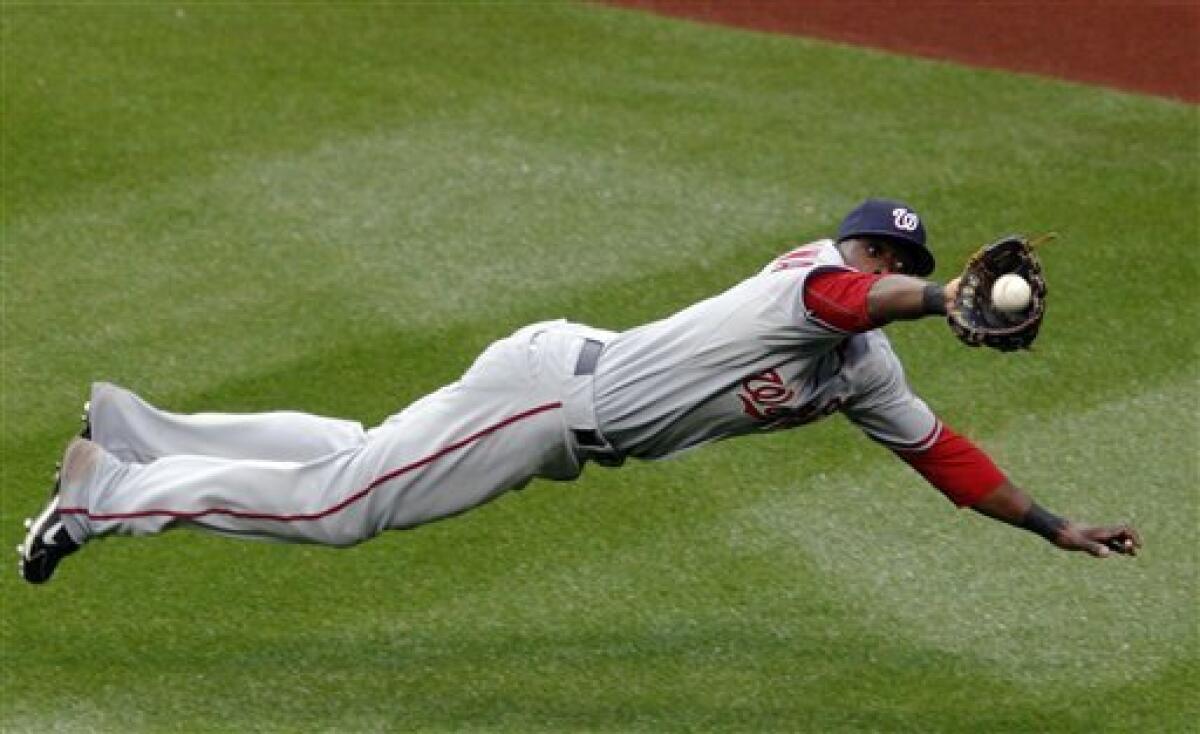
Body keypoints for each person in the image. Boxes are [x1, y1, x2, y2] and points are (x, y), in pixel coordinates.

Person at [18, 198, 1141, 584]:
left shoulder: (868, 373)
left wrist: (1052, 525)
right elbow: (853, 301)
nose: (879, 271)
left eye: (900, 263)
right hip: (551, 400)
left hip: (558, 384)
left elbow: (943, 454)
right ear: (860, 253)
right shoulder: (816, 284)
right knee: (341, 504)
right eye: (879, 258)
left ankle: (132, 431)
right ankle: (108, 494)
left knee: (355, 449)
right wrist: (940, 291)